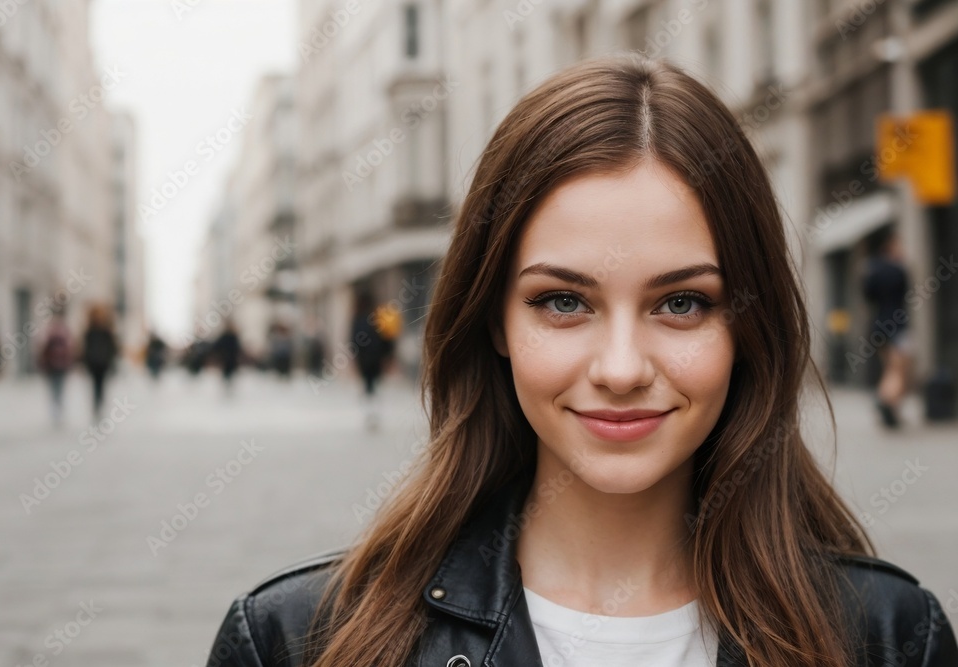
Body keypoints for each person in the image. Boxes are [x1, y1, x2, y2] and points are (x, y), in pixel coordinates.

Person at [207, 57, 958, 667]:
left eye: (683, 303)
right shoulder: (299, 641)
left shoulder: (890, 639)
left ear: (747, 325)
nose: (623, 367)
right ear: (494, 319)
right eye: (564, 302)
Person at [861, 231, 912, 429]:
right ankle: (884, 400)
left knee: (889, 368)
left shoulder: (871, 270)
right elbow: (904, 295)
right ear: (890, 246)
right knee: (898, 370)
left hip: (878, 324)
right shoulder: (898, 270)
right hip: (897, 324)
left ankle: (892, 410)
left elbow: (868, 296)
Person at [349, 290, 392, 430]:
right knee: (375, 385)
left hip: (364, 359)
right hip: (377, 358)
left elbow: (353, 341)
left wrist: (354, 359)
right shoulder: (378, 318)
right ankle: (374, 413)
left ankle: (370, 414)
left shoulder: (357, 318)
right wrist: (387, 356)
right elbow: (387, 339)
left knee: (367, 385)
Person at [37, 309, 75, 427]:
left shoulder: (51, 331)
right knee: (57, 388)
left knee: (56, 388)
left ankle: (56, 409)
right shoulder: (59, 331)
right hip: (57, 364)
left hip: (57, 364)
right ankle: (57, 409)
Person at [82, 304, 118, 419]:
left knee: (100, 385)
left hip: (103, 363)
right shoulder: (90, 331)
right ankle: (97, 404)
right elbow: (85, 348)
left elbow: (112, 347)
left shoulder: (106, 331)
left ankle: (99, 403)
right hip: (94, 363)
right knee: (95, 385)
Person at [212, 321, 242, 394]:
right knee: (227, 374)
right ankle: (227, 387)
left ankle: (228, 387)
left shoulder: (232, 336)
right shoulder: (229, 336)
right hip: (228, 358)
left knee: (229, 374)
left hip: (229, 358)